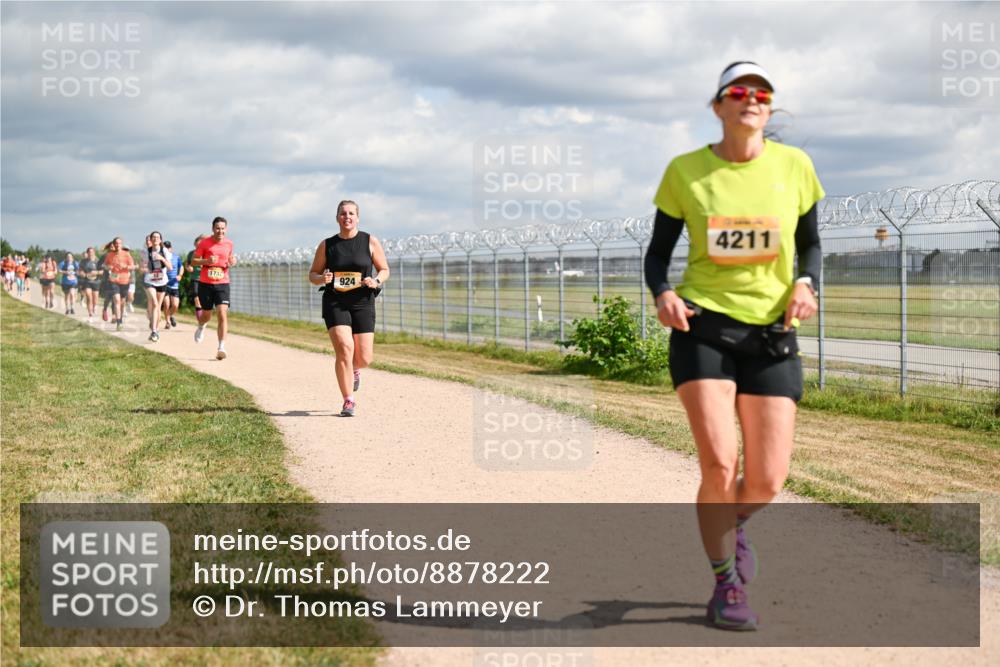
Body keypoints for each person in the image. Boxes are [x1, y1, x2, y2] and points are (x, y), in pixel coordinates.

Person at [644, 62, 824, 631]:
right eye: (739, 92)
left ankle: (731, 522)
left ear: (770, 109)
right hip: (704, 327)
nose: (751, 99)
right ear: (719, 106)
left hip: (772, 333)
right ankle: (727, 584)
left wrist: (806, 281)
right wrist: (663, 292)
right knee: (721, 461)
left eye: (762, 93)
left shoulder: (795, 167)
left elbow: (811, 244)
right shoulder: (687, 171)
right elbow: (656, 253)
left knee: (769, 479)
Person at [308, 200, 390, 417]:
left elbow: (384, 269)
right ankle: (348, 400)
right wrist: (321, 278)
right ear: (337, 218)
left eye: (351, 213)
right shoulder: (327, 245)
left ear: (358, 217)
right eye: (343, 213)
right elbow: (312, 275)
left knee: (364, 358)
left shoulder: (369, 241)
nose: (347, 217)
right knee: (344, 348)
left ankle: (355, 369)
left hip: (363, 301)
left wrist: (376, 281)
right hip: (336, 301)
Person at [191, 217, 236, 360]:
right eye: (218, 228)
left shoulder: (229, 243)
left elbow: (230, 258)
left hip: (223, 283)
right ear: (213, 229)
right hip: (206, 283)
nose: (220, 231)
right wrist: (207, 261)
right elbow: (194, 261)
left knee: (222, 313)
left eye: (223, 228)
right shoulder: (205, 243)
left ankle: (221, 347)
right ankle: (201, 325)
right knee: (207, 315)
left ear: (226, 229)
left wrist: (232, 261)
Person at [141, 232, 171, 342]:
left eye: (157, 237)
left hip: (162, 281)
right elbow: (143, 266)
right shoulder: (146, 252)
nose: (155, 239)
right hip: (149, 281)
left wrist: (162, 259)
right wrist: (145, 268)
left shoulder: (165, 251)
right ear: (151, 239)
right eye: (153, 237)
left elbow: (170, 267)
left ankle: (155, 329)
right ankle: (153, 331)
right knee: (154, 303)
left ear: (160, 240)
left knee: (158, 306)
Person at [103, 238, 136, 331]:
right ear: (114, 244)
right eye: (116, 243)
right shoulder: (110, 255)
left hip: (125, 281)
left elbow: (133, 266)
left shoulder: (126, 255)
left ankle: (120, 318)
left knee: (122, 303)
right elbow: (104, 265)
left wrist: (125, 266)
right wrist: (107, 267)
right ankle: (119, 322)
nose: (118, 245)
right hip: (113, 280)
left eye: (119, 243)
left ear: (121, 244)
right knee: (117, 300)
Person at [161, 240, 183, 329]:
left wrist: (180, 275)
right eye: (165, 248)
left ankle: (170, 316)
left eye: (168, 247)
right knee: (166, 304)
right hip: (164, 284)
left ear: (171, 248)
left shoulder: (176, 257)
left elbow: (181, 267)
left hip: (174, 284)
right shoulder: (161, 258)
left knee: (175, 305)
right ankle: (167, 322)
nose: (167, 249)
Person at [185, 234, 207, 318]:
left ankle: (204, 313)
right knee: (196, 295)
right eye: (197, 244)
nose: (198, 246)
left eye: (200, 245)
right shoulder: (191, 253)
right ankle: (199, 313)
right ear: (194, 244)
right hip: (195, 278)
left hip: (205, 279)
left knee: (204, 298)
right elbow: (187, 264)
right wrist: (188, 267)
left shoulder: (206, 253)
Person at [79, 247, 102, 322]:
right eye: (89, 252)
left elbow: (103, 271)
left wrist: (96, 272)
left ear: (94, 252)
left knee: (95, 299)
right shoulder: (83, 261)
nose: (90, 253)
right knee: (89, 297)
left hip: (96, 281)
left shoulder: (98, 261)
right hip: (87, 281)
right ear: (87, 253)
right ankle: (90, 315)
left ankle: (95, 306)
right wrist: (82, 273)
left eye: (92, 252)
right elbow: (80, 270)